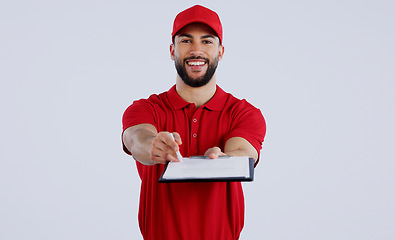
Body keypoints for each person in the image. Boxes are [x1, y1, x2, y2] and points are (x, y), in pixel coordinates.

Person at [122, 5, 266, 240]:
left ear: (221, 51)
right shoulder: (146, 109)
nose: (196, 50)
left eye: (207, 41)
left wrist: (224, 161)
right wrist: (153, 145)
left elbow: (244, 152)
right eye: (186, 41)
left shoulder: (244, 113)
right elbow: (136, 138)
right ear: (172, 50)